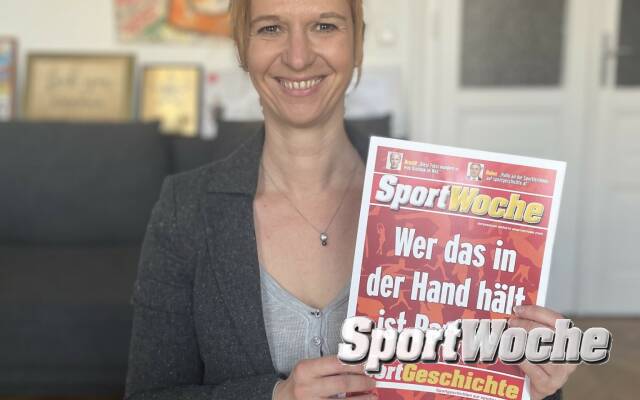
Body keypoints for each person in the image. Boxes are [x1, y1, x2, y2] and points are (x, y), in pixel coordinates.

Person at [124, 1, 576, 399]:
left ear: (357, 43)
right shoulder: (185, 209)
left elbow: (477, 384)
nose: (298, 56)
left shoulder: (449, 205)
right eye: (270, 28)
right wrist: (275, 397)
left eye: (325, 26)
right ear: (243, 47)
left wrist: (536, 385)